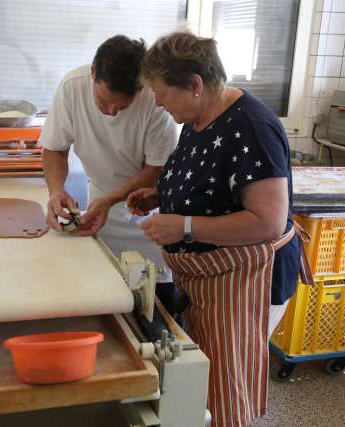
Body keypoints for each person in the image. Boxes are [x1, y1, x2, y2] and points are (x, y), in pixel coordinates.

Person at [127, 32, 310, 426]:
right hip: (211, 278)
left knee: (226, 388)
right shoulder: (196, 119)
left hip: (249, 280)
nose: (157, 102)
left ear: (194, 84)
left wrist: (184, 226)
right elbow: (209, 183)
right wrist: (159, 195)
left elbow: (267, 221)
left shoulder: (252, 127)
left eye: (162, 93)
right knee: (205, 381)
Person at [39, 35, 181, 320]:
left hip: (149, 214)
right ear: (93, 73)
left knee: (153, 308)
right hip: (100, 210)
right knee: (104, 302)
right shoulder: (71, 89)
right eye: (104, 102)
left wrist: (111, 200)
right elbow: (54, 149)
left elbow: (156, 171)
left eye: (123, 106)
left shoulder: (156, 101)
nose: (112, 111)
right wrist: (56, 190)